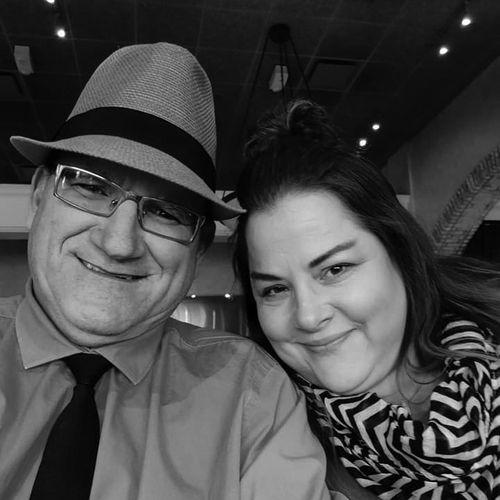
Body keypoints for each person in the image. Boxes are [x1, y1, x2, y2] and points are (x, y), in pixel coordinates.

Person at [0, 44, 331, 500]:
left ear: (198, 249)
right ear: (38, 197)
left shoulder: (251, 397)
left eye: (167, 212)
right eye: (91, 187)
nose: (119, 243)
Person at [234, 98, 500, 499]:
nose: (307, 316)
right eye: (275, 289)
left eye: (335, 269)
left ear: (400, 254)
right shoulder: (265, 444)